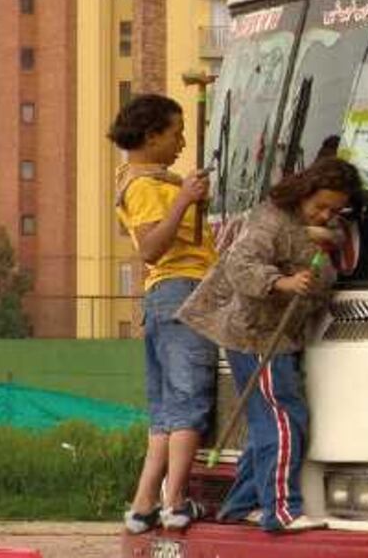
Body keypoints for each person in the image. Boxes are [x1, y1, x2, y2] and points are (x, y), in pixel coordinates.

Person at [177, 158, 363, 533]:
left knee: (267, 424)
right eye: (321, 206)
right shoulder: (271, 219)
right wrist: (283, 283)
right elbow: (240, 265)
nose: (327, 215)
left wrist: (328, 238)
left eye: (335, 209)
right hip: (257, 335)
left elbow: (331, 247)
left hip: (280, 336)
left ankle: (240, 505)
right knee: (283, 420)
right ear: (305, 192)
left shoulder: (318, 226)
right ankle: (280, 509)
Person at [109, 94, 219, 533]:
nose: (181, 141)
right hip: (183, 291)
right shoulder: (142, 186)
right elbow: (153, 247)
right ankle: (176, 501)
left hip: (163, 299)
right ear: (151, 135)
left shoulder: (149, 178)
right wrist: (182, 200)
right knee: (190, 399)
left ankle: (143, 505)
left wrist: (188, 194)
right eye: (175, 133)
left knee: (165, 411)